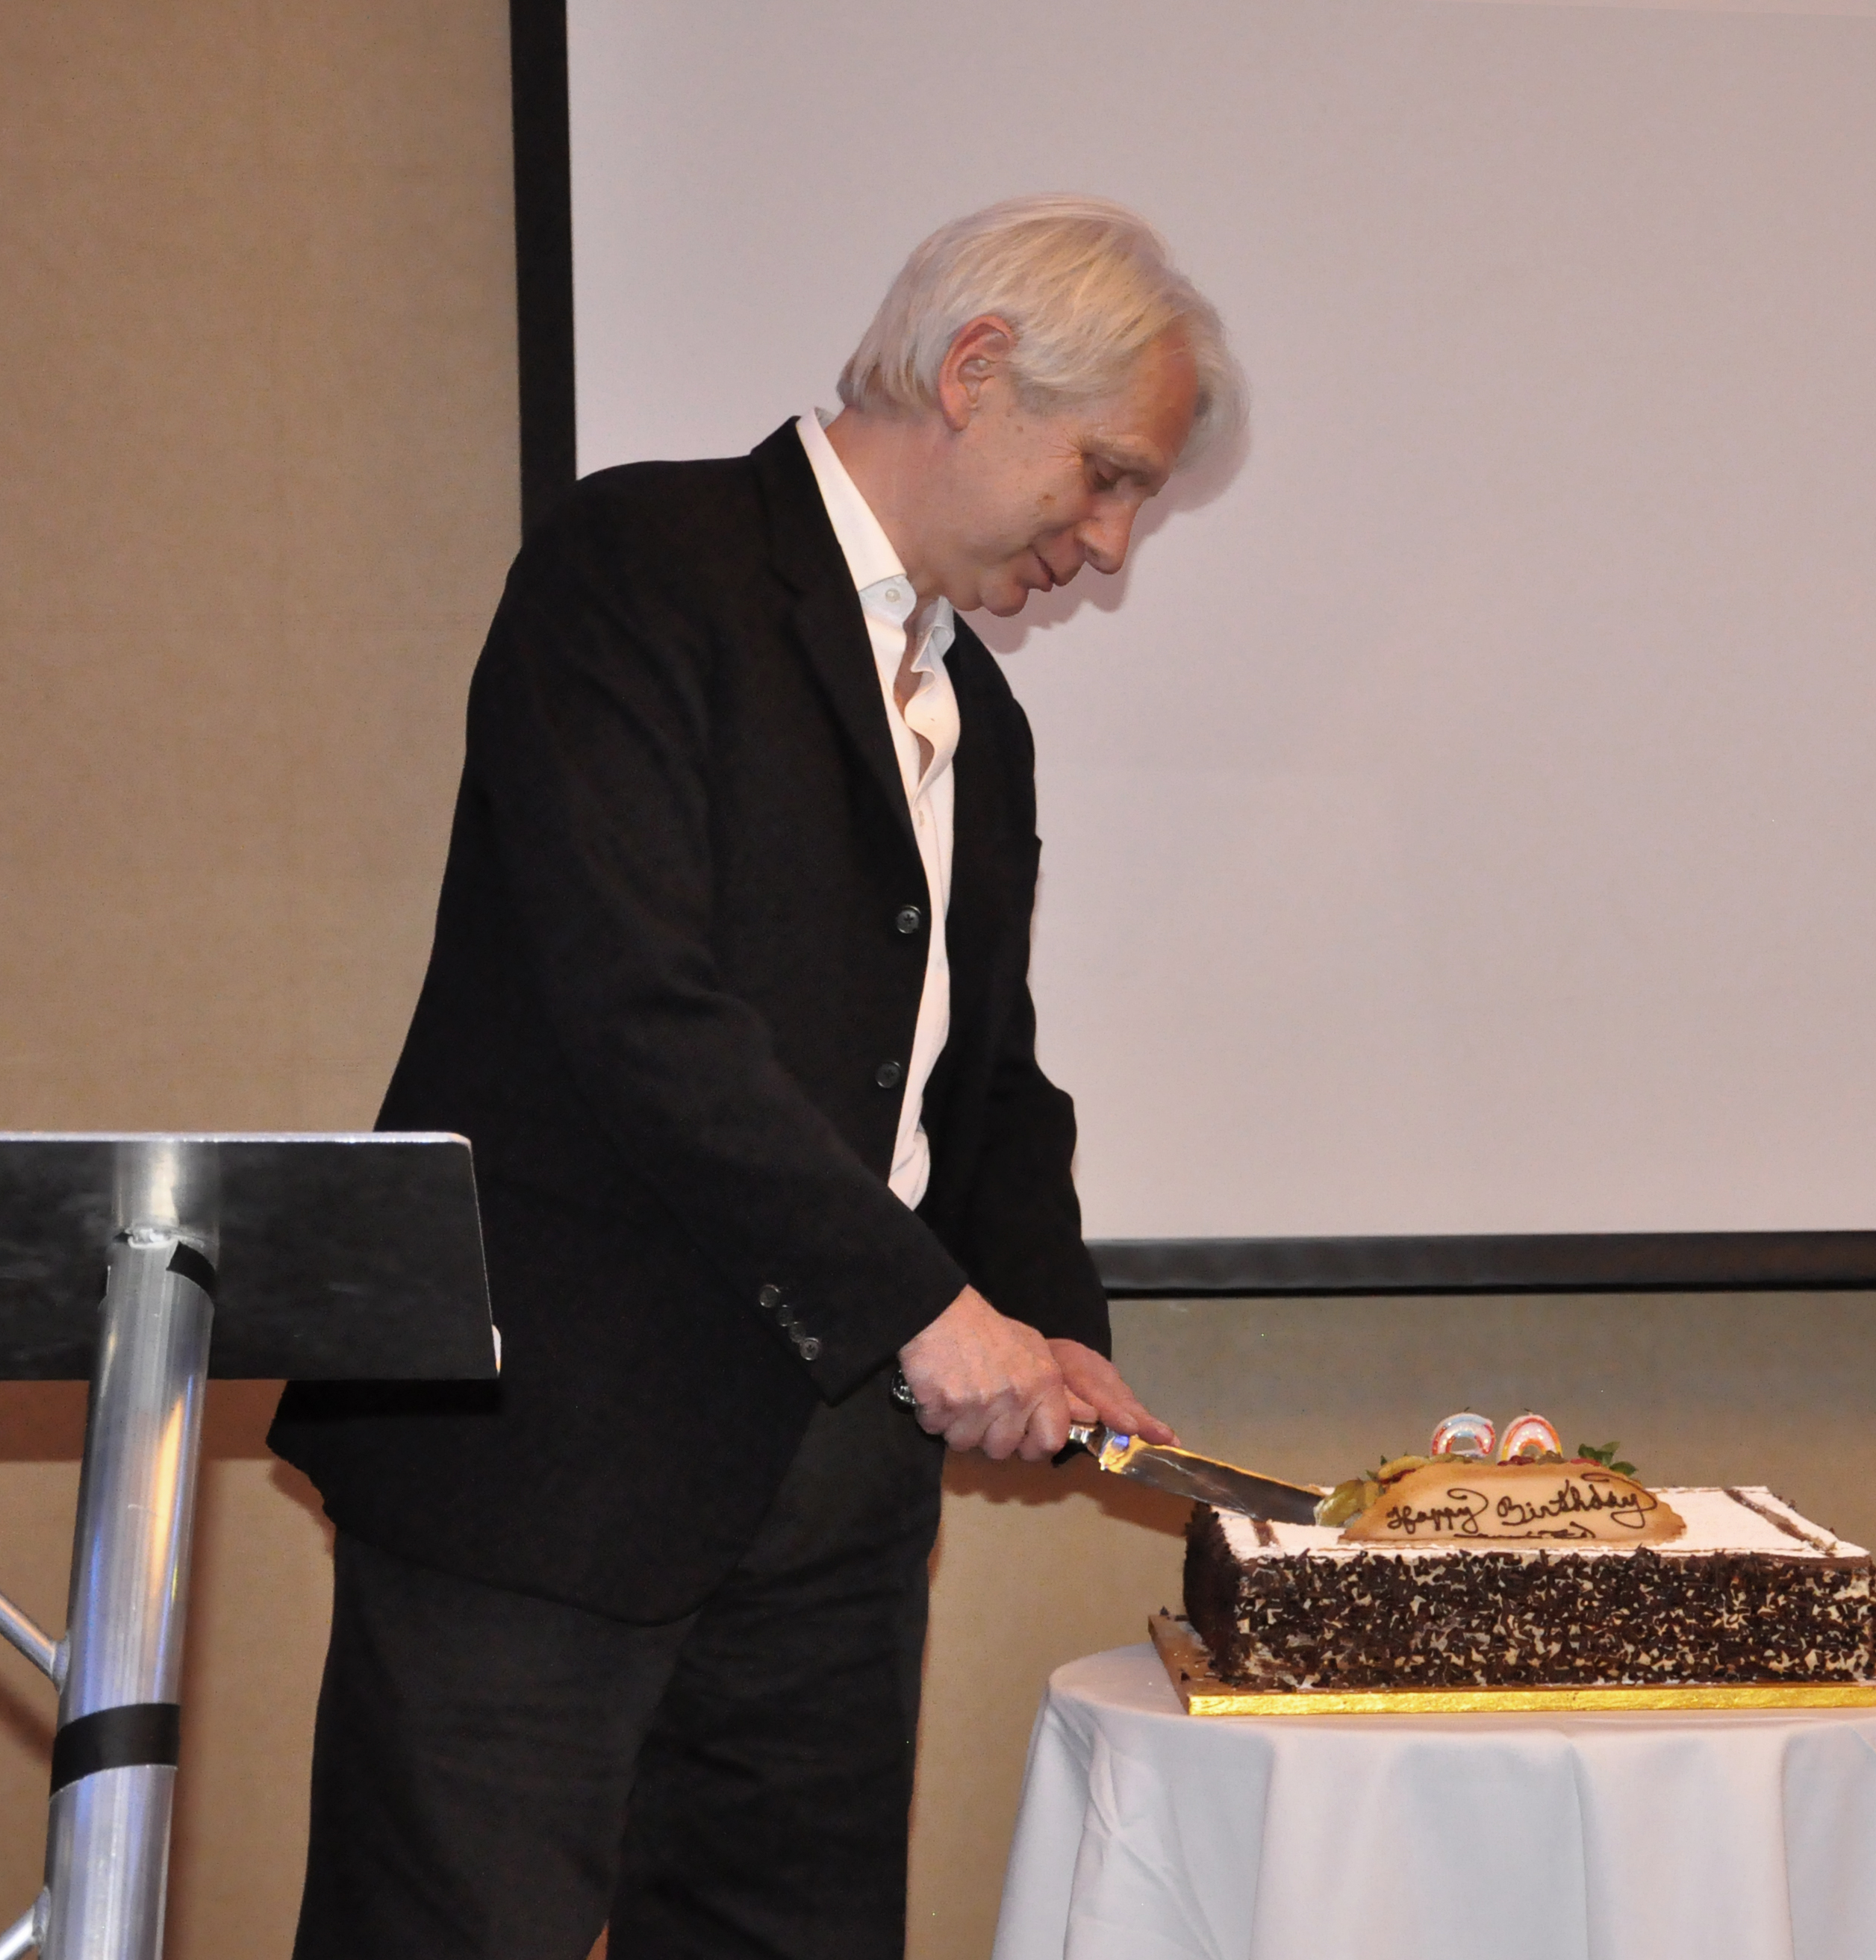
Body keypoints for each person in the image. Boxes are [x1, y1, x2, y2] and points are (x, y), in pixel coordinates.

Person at [267, 195, 1242, 1960]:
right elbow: (640, 1009)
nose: (1106, 545)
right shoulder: (642, 562)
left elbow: (981, 1081)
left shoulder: (981, 718)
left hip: (832, 1498)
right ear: (975, 369)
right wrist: (928, 1310)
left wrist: (1047, 1319)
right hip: (549, 1462)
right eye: (1105, 476)